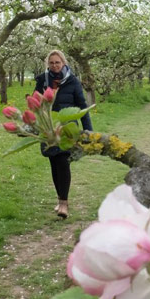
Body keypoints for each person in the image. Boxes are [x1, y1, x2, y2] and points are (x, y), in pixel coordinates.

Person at [34, 50, 92, 219]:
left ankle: (64, 203)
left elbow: (82, 107)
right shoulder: (42, 80)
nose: (55, 65)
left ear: (64, 63)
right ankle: (60, 200)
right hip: (48, 128)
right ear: (48, 64)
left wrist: (88, 130)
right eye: (51, 63)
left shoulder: (73, 81)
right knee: (54, 163)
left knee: (63, 162)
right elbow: (36, 103)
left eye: (57, 62)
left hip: (66, 129)